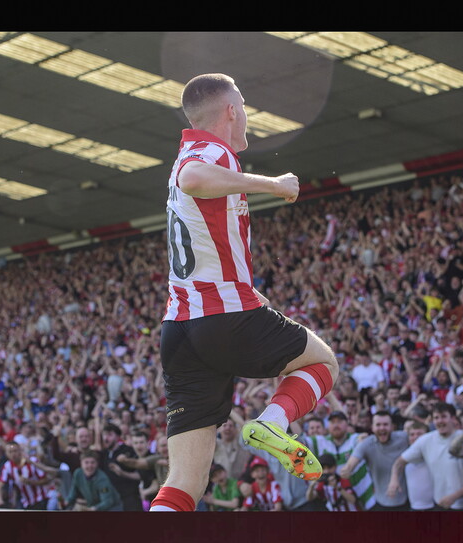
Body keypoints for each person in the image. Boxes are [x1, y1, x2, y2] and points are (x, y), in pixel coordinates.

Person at [151, 73, 339, 512]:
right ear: (232, 110)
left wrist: (251, 290)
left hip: (180, 331)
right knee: (323, 361)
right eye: (245, 106)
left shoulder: (194, 152)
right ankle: (272, 423)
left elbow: (206, 236)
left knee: (185, 482)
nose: (248, 116)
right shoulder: (210, 152)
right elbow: (193, 178)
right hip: (222, 316)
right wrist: (273, 185)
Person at [388, 402, 463, 511]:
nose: (440, 421)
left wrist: (454, 497)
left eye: (443, 417)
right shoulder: (426, 440)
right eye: (436, 418)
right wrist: (394, 479)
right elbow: (399, 462)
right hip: (439, 504)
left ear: (453, 419)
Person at [339, 411, 410, 511]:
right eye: (378, 425)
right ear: (372, 427)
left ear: (392, 427)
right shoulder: (367, 444)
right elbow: (351, 463)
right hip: (381, 502)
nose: (382, 428)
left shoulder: (403, 438)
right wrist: (347, 470)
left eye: (385, 424)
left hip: (406, 502)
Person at [305, 410, 376, 510]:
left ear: (347, 423)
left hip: (366, 498)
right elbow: (300, 440)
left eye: (339, 421)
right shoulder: (321, 441)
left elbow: (363, 441)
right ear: (328, 426)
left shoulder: (354, 439)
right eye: (332, 422)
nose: (336, 425)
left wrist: (364, 439)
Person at [0, 441, 52, 510]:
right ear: (6, 454)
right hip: (26, 502)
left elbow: (47, 480)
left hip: (40, 499)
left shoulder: (32, 461)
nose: (13, 454)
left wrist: (31, 482)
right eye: (10, 452)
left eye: (15, 451)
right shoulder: (7, 466)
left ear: (20, 451)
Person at [99, 423, 143, 511]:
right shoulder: (104, 454)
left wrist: (122, 472)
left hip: (130, 500)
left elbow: (140, 475)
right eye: (104, 435)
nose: (106, 438)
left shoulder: (128, 451)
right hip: (112, 501)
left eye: (109, 435)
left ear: (117, 436)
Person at [401, 421, 435, 511]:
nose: (415, 437)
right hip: (413, 507)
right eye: (412, 434)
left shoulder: (435, 455)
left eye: (419, 434)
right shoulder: (403, 456)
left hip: (434, 506)